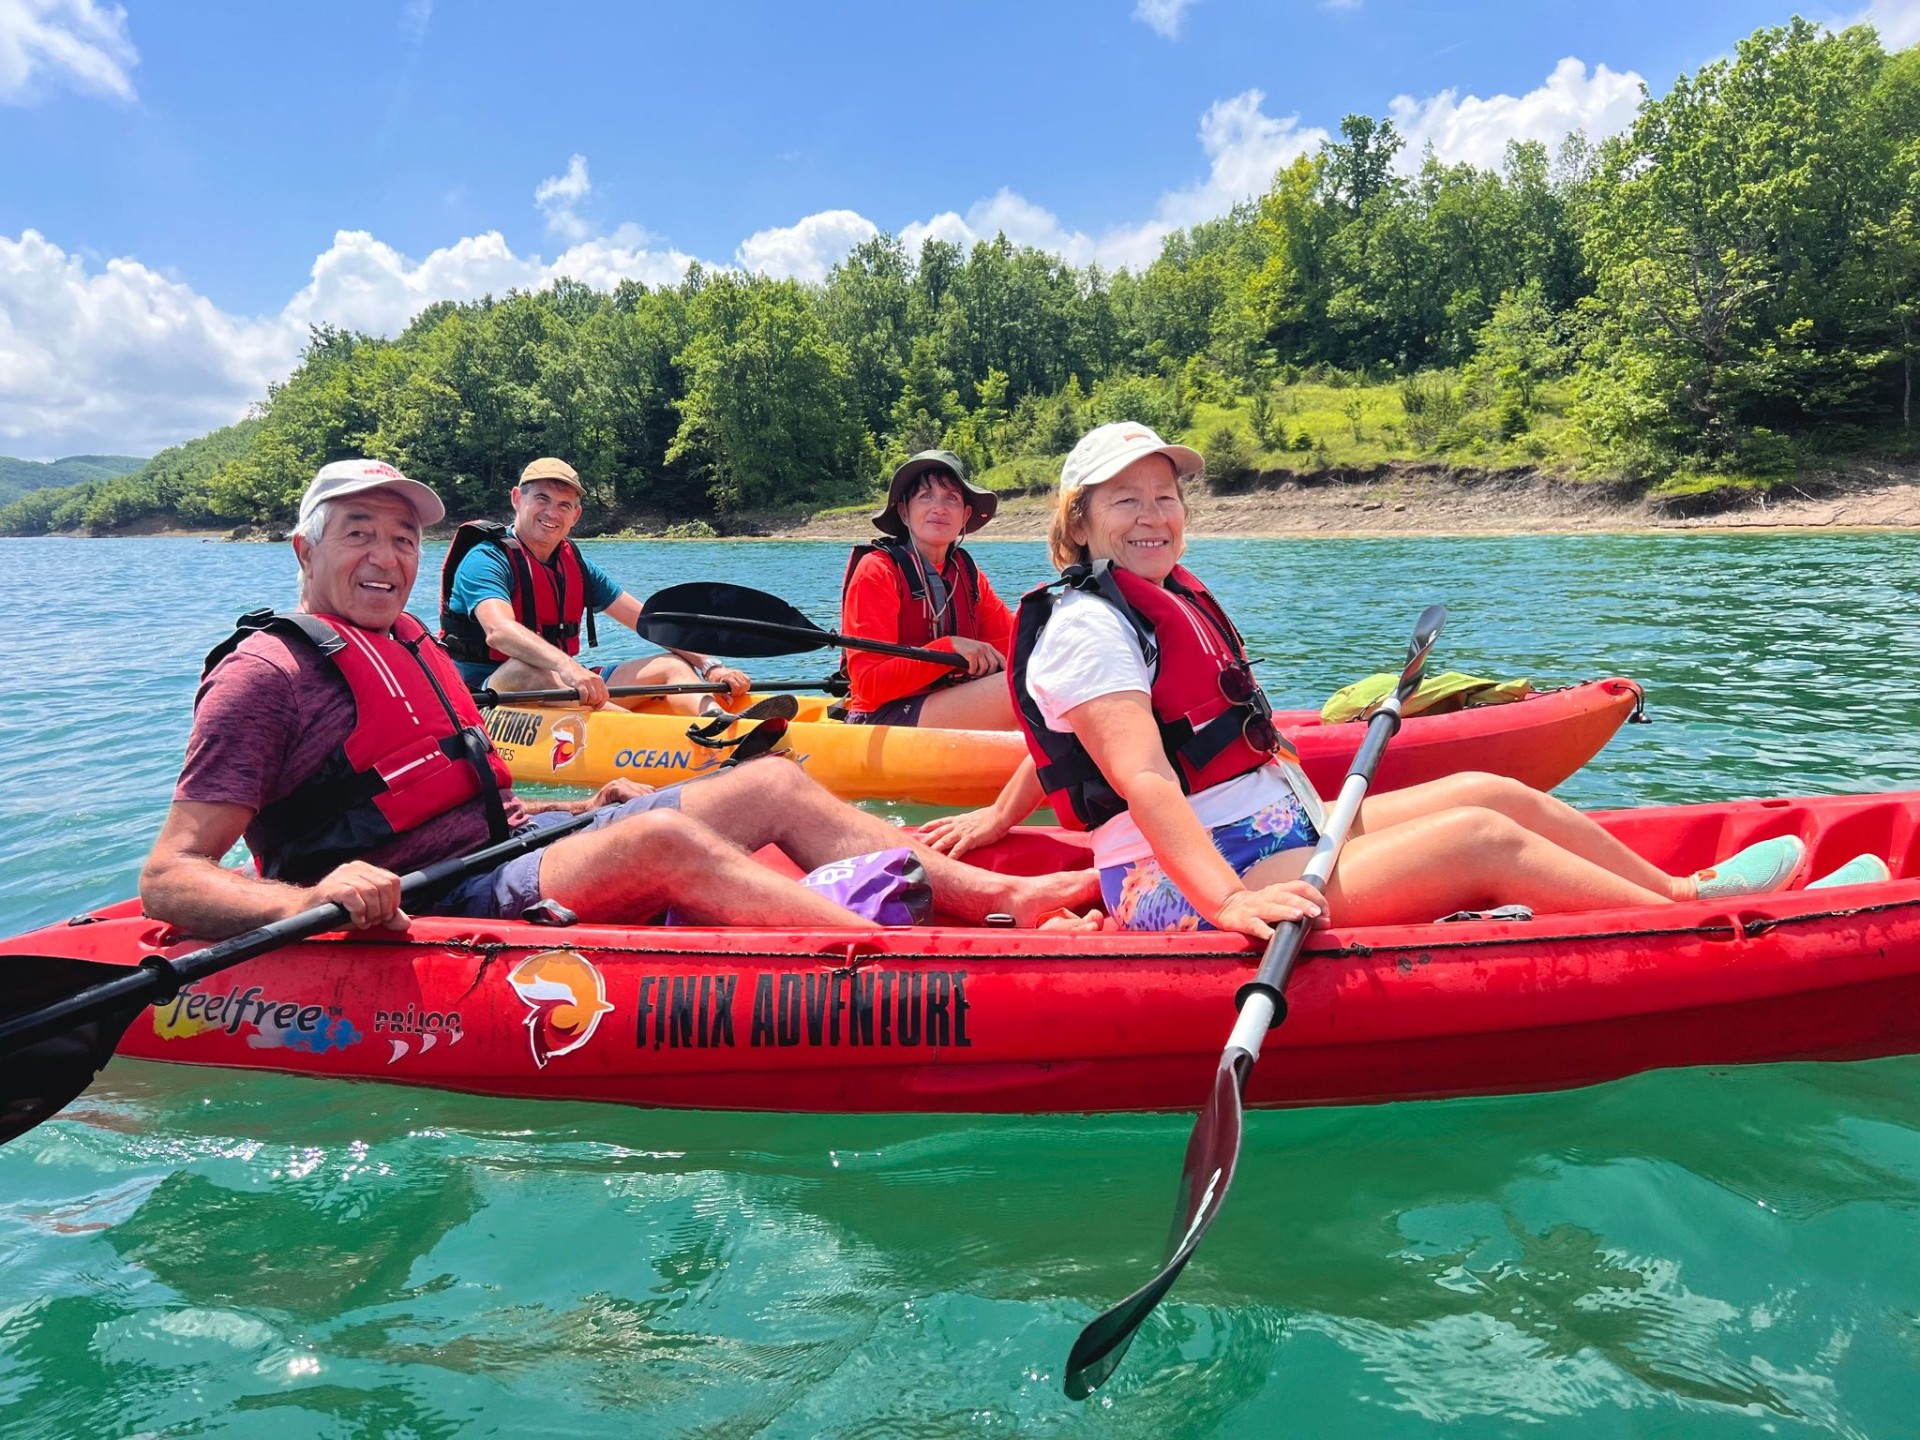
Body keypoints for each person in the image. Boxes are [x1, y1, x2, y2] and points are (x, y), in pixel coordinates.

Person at [921, 422, 1880, 938]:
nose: (1153, 516)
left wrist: (1001, 817)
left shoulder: (1153, 602)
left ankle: (1681, 891)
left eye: (1165, 497)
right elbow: (1139, 775)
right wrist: (1227, 903)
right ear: (1079, 521)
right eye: (1125, 500)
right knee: (1475, 840)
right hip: (1186, 881)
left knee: (1491, 792)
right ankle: (1716, 932)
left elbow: (1070, 741)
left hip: (1272, 831)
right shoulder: (1090, 624)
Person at [139, 459, 1100, 942]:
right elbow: (171, 878)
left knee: (771, 780)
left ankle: (1005, 898)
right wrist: (315, 899)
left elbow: (473, 797)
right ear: (305, 549)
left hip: (515, 846)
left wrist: (570, 810)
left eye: (400, 539)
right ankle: (918, 967)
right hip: (436, 897)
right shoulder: (265, 676)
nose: (386, 557)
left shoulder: (410, 647)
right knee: (663, 839)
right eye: (359, 534)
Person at [438, 457, 750, 715]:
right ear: (518, 499)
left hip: (562, 684)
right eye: (542, 499)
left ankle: (717, 723)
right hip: (489, 695)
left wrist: (709, 665)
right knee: (525, 669)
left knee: (670, 665)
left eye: (564, 505)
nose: (552, 513)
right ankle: (643, 736)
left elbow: (646, 621)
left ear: (575, 515)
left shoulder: (576, 565)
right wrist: (569, 667)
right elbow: (499, 631)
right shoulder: (486, 560)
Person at [838, 451, 1017, 730]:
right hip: (878, 718)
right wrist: (950, 647)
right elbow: (870, 685)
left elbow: (1014, 644)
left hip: (943, 704)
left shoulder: (968, 574)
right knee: (1023, 690)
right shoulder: (877, 571)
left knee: (1039, 679)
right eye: (925, 496)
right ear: (904, 512)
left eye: (951, 498)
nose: (939, 508)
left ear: (965, 515)